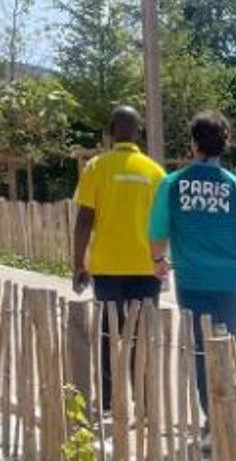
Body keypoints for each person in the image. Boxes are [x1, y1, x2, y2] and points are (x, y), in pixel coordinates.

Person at [148, 111, 236, 417]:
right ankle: (224, 413)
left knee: (202, 353)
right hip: (229, 285)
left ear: (193, 143)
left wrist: (158, 260)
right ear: (225, 143)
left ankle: (212, 419)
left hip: (191, 283)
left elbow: (157, 231)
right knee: (225, 347)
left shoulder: (171, 184)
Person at [71, 105, 166, 413]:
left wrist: (78, 264)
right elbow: (163, 224)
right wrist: (163, 260)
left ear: (110, 132)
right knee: (143, 336)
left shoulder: (96, 167)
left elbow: (84, 219)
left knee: (109, 334)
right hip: (145, 267)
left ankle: (110, 401)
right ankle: (145, 400)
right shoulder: (154, 172)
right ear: (138, 132)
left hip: (107, 268)